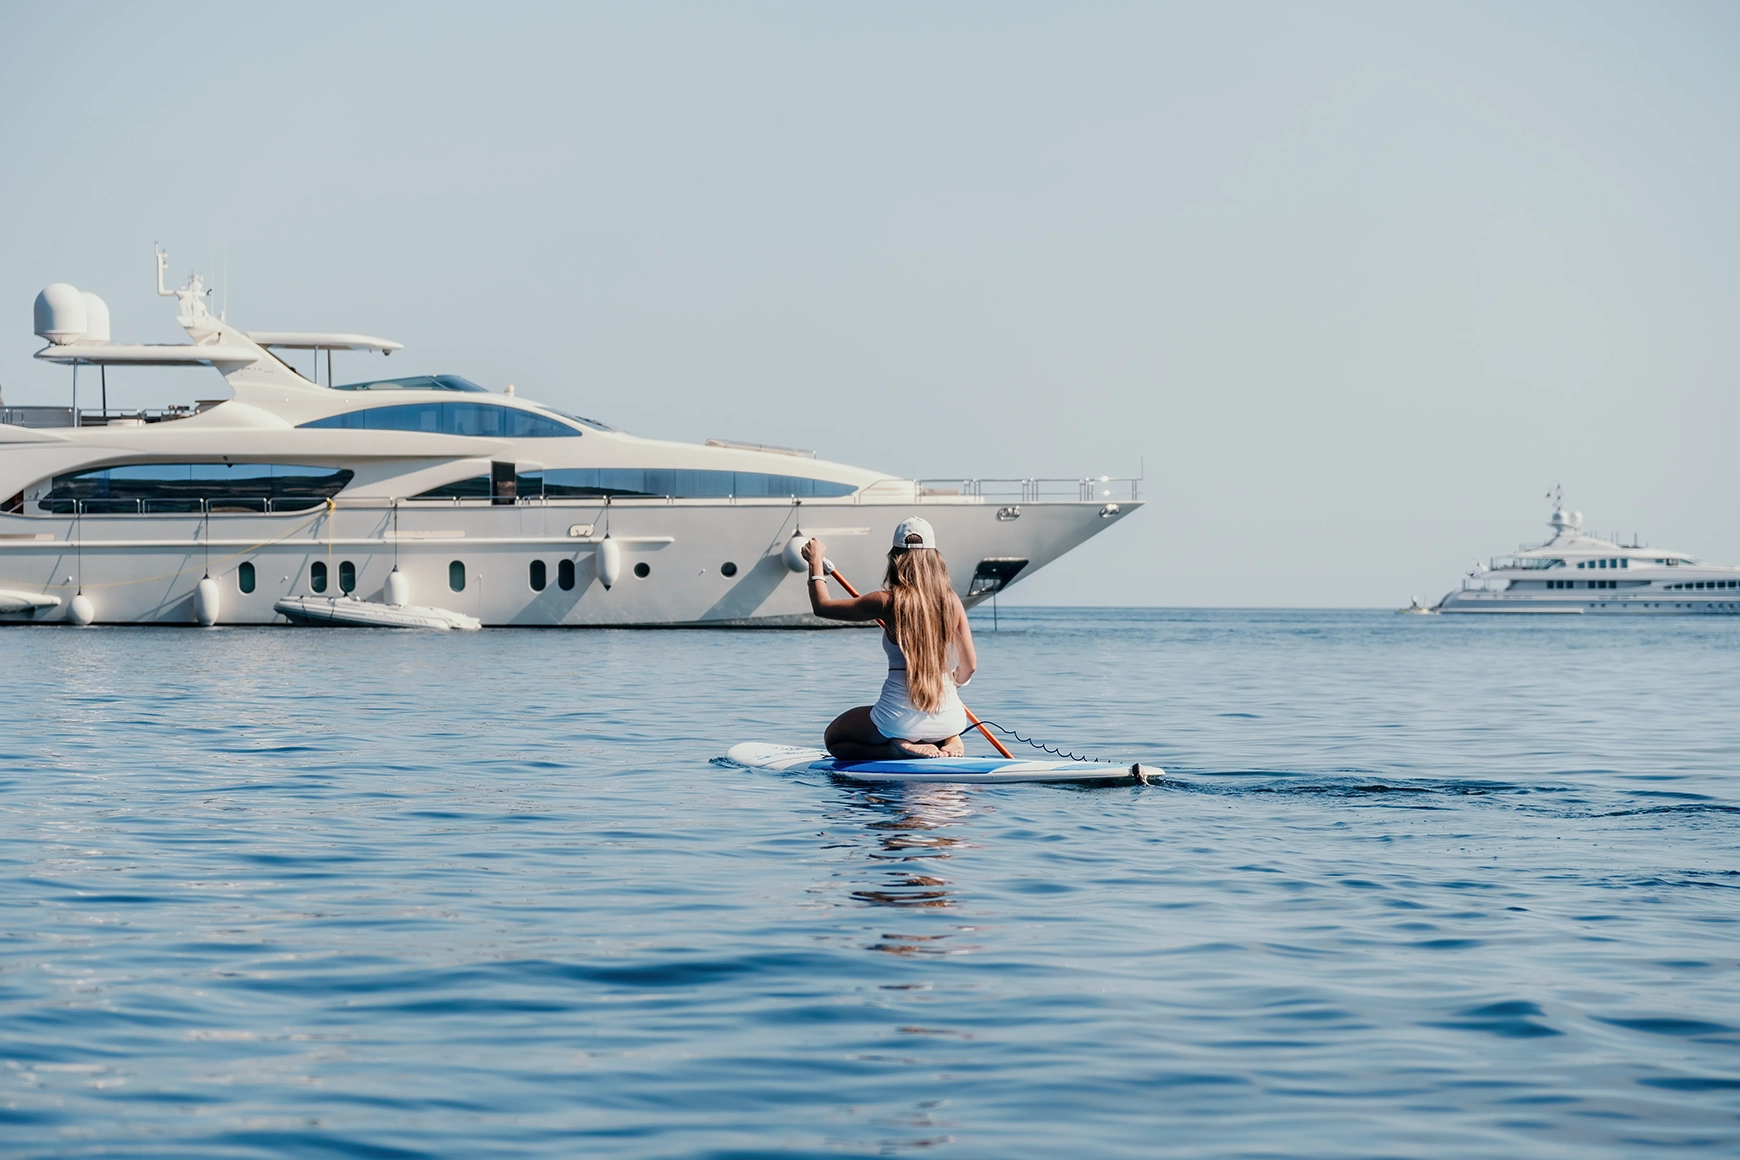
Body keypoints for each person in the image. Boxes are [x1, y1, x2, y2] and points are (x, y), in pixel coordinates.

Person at [802, 516, 978, 759]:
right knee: (940, 719)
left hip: (897, 720)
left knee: (834, 739)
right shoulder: (952, 601)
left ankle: (895, 747)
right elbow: (969, 667)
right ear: (935, 558)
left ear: (895, 558)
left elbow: (822, 607)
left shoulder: (886, 601)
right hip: (950, 717)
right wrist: (945, 684)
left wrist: (815, 562)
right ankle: (950, 740)